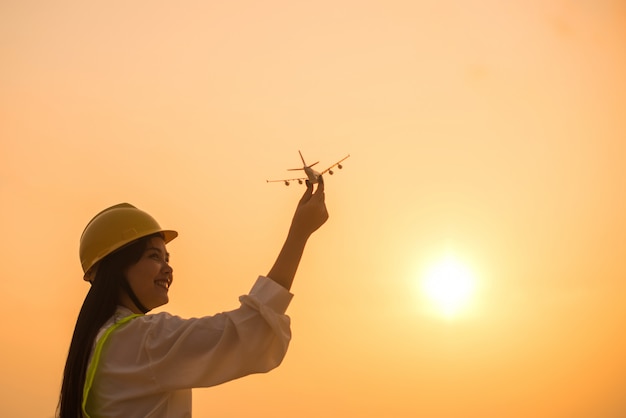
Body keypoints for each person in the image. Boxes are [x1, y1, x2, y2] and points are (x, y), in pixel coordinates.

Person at [57, 178, 328, 418]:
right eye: (153, 256)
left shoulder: (98, 342)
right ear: (118, 267)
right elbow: (251, 330)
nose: (167, 268)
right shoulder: (144, 340)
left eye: (167, 258)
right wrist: (299, 234)